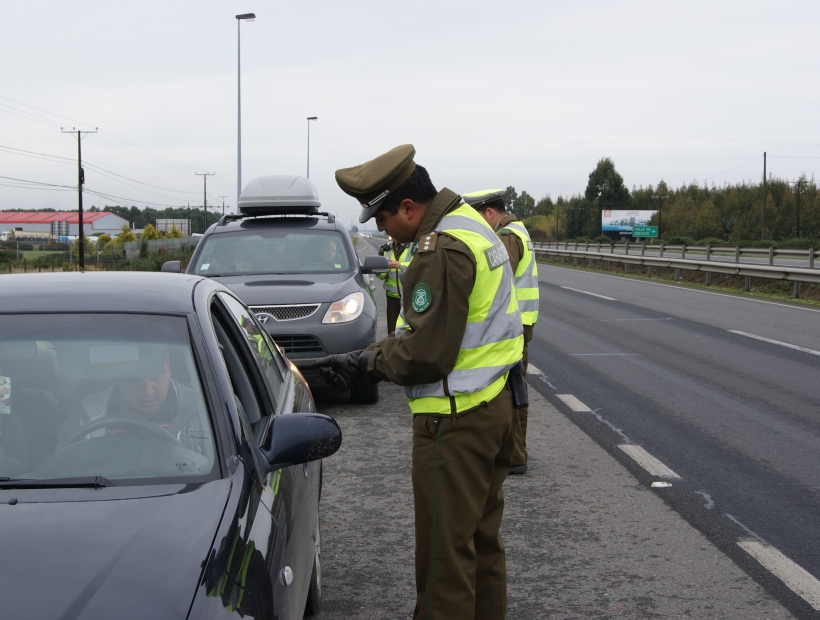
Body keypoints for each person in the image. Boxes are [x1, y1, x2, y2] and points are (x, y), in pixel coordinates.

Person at [313, 145, 523, 620]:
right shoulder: (471, 224)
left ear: (409, 207)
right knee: (482, 548)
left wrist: (366, 364)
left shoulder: (439, 250)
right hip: (494, 405)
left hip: (455, 423)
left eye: (383, 219)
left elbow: (428, 353)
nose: (381, 230)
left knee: (444, 560)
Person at [463, 189, 539, 475]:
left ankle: (515, 455)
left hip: (512, 323)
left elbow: (494, 278)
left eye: (477, 218)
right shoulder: (518, 231)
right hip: (521, 320)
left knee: (508, 389)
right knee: (516, 385)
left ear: (489, 213)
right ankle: (515, 452)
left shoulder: (506, 237)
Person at [57, 345, 209, 455]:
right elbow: (63, 475)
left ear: (168, 366)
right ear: (116, 377)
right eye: (133, 380)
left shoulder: (202, 411)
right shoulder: (84, 417)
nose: (147, 390)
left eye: (155, 376)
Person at [376, 236, 412, 333]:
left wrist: (400, 265)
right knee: (392, 332)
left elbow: (419, 266)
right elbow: (382, 276)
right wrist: (378, 267)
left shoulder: (414, 246)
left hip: (409, 297)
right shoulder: (387, 248)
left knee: (408, 330)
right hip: (392, 297)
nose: (392, 237)